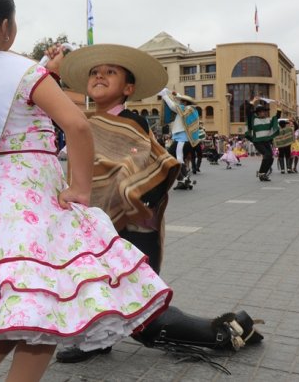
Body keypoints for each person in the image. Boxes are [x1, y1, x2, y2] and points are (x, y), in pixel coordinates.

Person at [0, 0, 172, 382]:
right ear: (6, 27)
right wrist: (81, 189)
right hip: (32, 200)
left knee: (18, 308)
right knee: (47, 309)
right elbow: (77, 125)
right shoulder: (20, 70)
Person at [46, 43, 262, 364]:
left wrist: (120, 188)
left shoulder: (133, 122)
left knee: (137, 303)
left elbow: (140, 166)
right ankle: (96, 340)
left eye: (110, 72)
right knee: (95, 280)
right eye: (95, 72)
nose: (100, 76)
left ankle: (228, 329)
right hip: (94, 219)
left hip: (129, 222)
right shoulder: (85, 120)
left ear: (128, 88)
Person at [159, 89, 201, 189]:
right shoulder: (190, 110)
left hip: (182, 140)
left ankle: (184, 179)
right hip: (182, 140)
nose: (180, 103)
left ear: (185, 103)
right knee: (176, 160)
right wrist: (176, 95)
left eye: (182, 101)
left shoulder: (188, 109)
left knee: (172, 160)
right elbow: (178, 105)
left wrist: (165, 96)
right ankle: (184, 180)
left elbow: (174, 106)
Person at [245, 98, 280, 181]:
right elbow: (247, 112)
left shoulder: (269, 120)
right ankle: (261, 173)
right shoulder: (253, 119)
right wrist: (252, 102)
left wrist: (278, 106)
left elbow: (277, 117)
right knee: (267, 154)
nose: (262, 113)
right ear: (257, 113)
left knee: (271, 158)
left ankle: (263, 173)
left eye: (264, 111)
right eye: (260, 112)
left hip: (266, 141)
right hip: (257, 141)